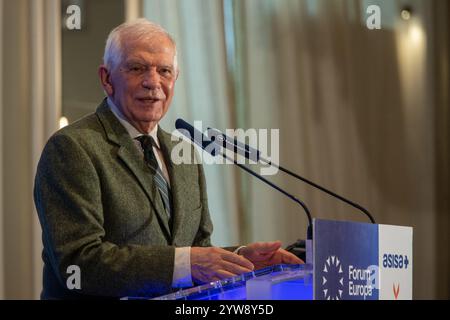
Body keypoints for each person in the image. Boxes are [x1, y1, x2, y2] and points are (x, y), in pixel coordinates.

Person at [33, 19, 302, 300]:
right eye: (137, 68)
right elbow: (78, 265)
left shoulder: (183, 154)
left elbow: (195, 249)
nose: (153, 82)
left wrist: (239, 261)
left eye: (164, 71)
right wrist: (188, 263)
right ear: (107, 78)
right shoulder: (73, 148)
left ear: (175, 79)